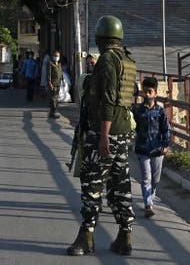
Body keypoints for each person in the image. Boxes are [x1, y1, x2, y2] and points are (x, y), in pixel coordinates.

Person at [66, 16, 136, 256]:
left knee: (92, 184)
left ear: (101, 37)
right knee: (120, 183)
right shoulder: (127, 60)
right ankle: (125, 235)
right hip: (124, 131)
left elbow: (107, 100)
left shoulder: (107, 60)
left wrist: (103, 135)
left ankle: (87, 236)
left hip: (105, 132)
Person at [131, 76, 170, 218]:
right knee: (146, 177)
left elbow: (166, 129)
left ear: (155, 94)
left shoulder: (160, 112)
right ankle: (148, 203)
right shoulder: (137, 111)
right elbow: (131, 125)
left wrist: (165, 145)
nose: (147, 95)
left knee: (155, 178)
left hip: (157, 149)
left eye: (150, 92)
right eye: (145, 91)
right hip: (142, 149)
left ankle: (151, 197)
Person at [47, 48, 64, 119]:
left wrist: (63, 80)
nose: (57, 57)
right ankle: (53, 112)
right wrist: (50, 83)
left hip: (58, 83)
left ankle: (53, 111)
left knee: (56, 98)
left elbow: (61, 73)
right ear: (53, 56)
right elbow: (49, 74)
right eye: (55, 56)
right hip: (53, 83)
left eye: (58, 56)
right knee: (53, 98)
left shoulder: (59, 64)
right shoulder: (50, 64)